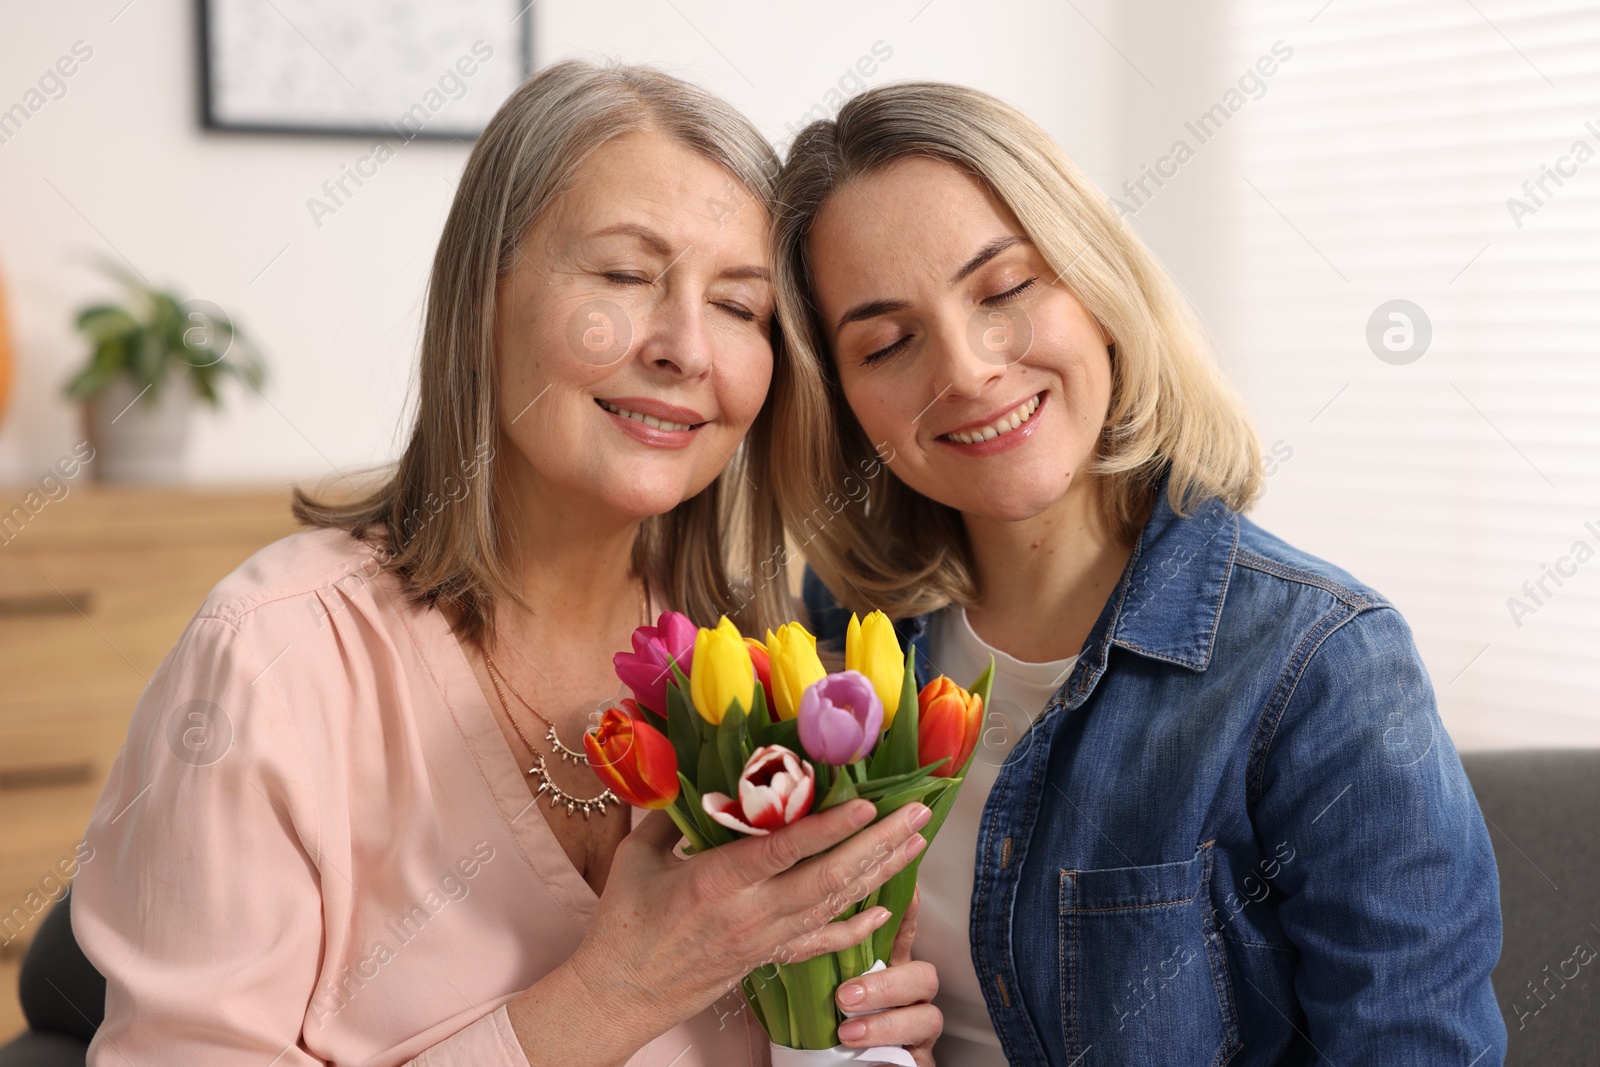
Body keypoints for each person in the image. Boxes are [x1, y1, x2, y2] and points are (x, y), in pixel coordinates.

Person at [71, 62, 942, 1067]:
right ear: (482, 296)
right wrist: (608, 997)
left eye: (741, 307)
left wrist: (861, 1037)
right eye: (622, 276)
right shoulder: (276, 658)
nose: (685, 348)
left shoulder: (763, 677)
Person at [750, 80, 1507, 1065]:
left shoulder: (1324, 666)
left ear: (1095, 289)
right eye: (888, 341)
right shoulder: (831, 643)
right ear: (841, 399)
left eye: (1006, 287)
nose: (967, 367)